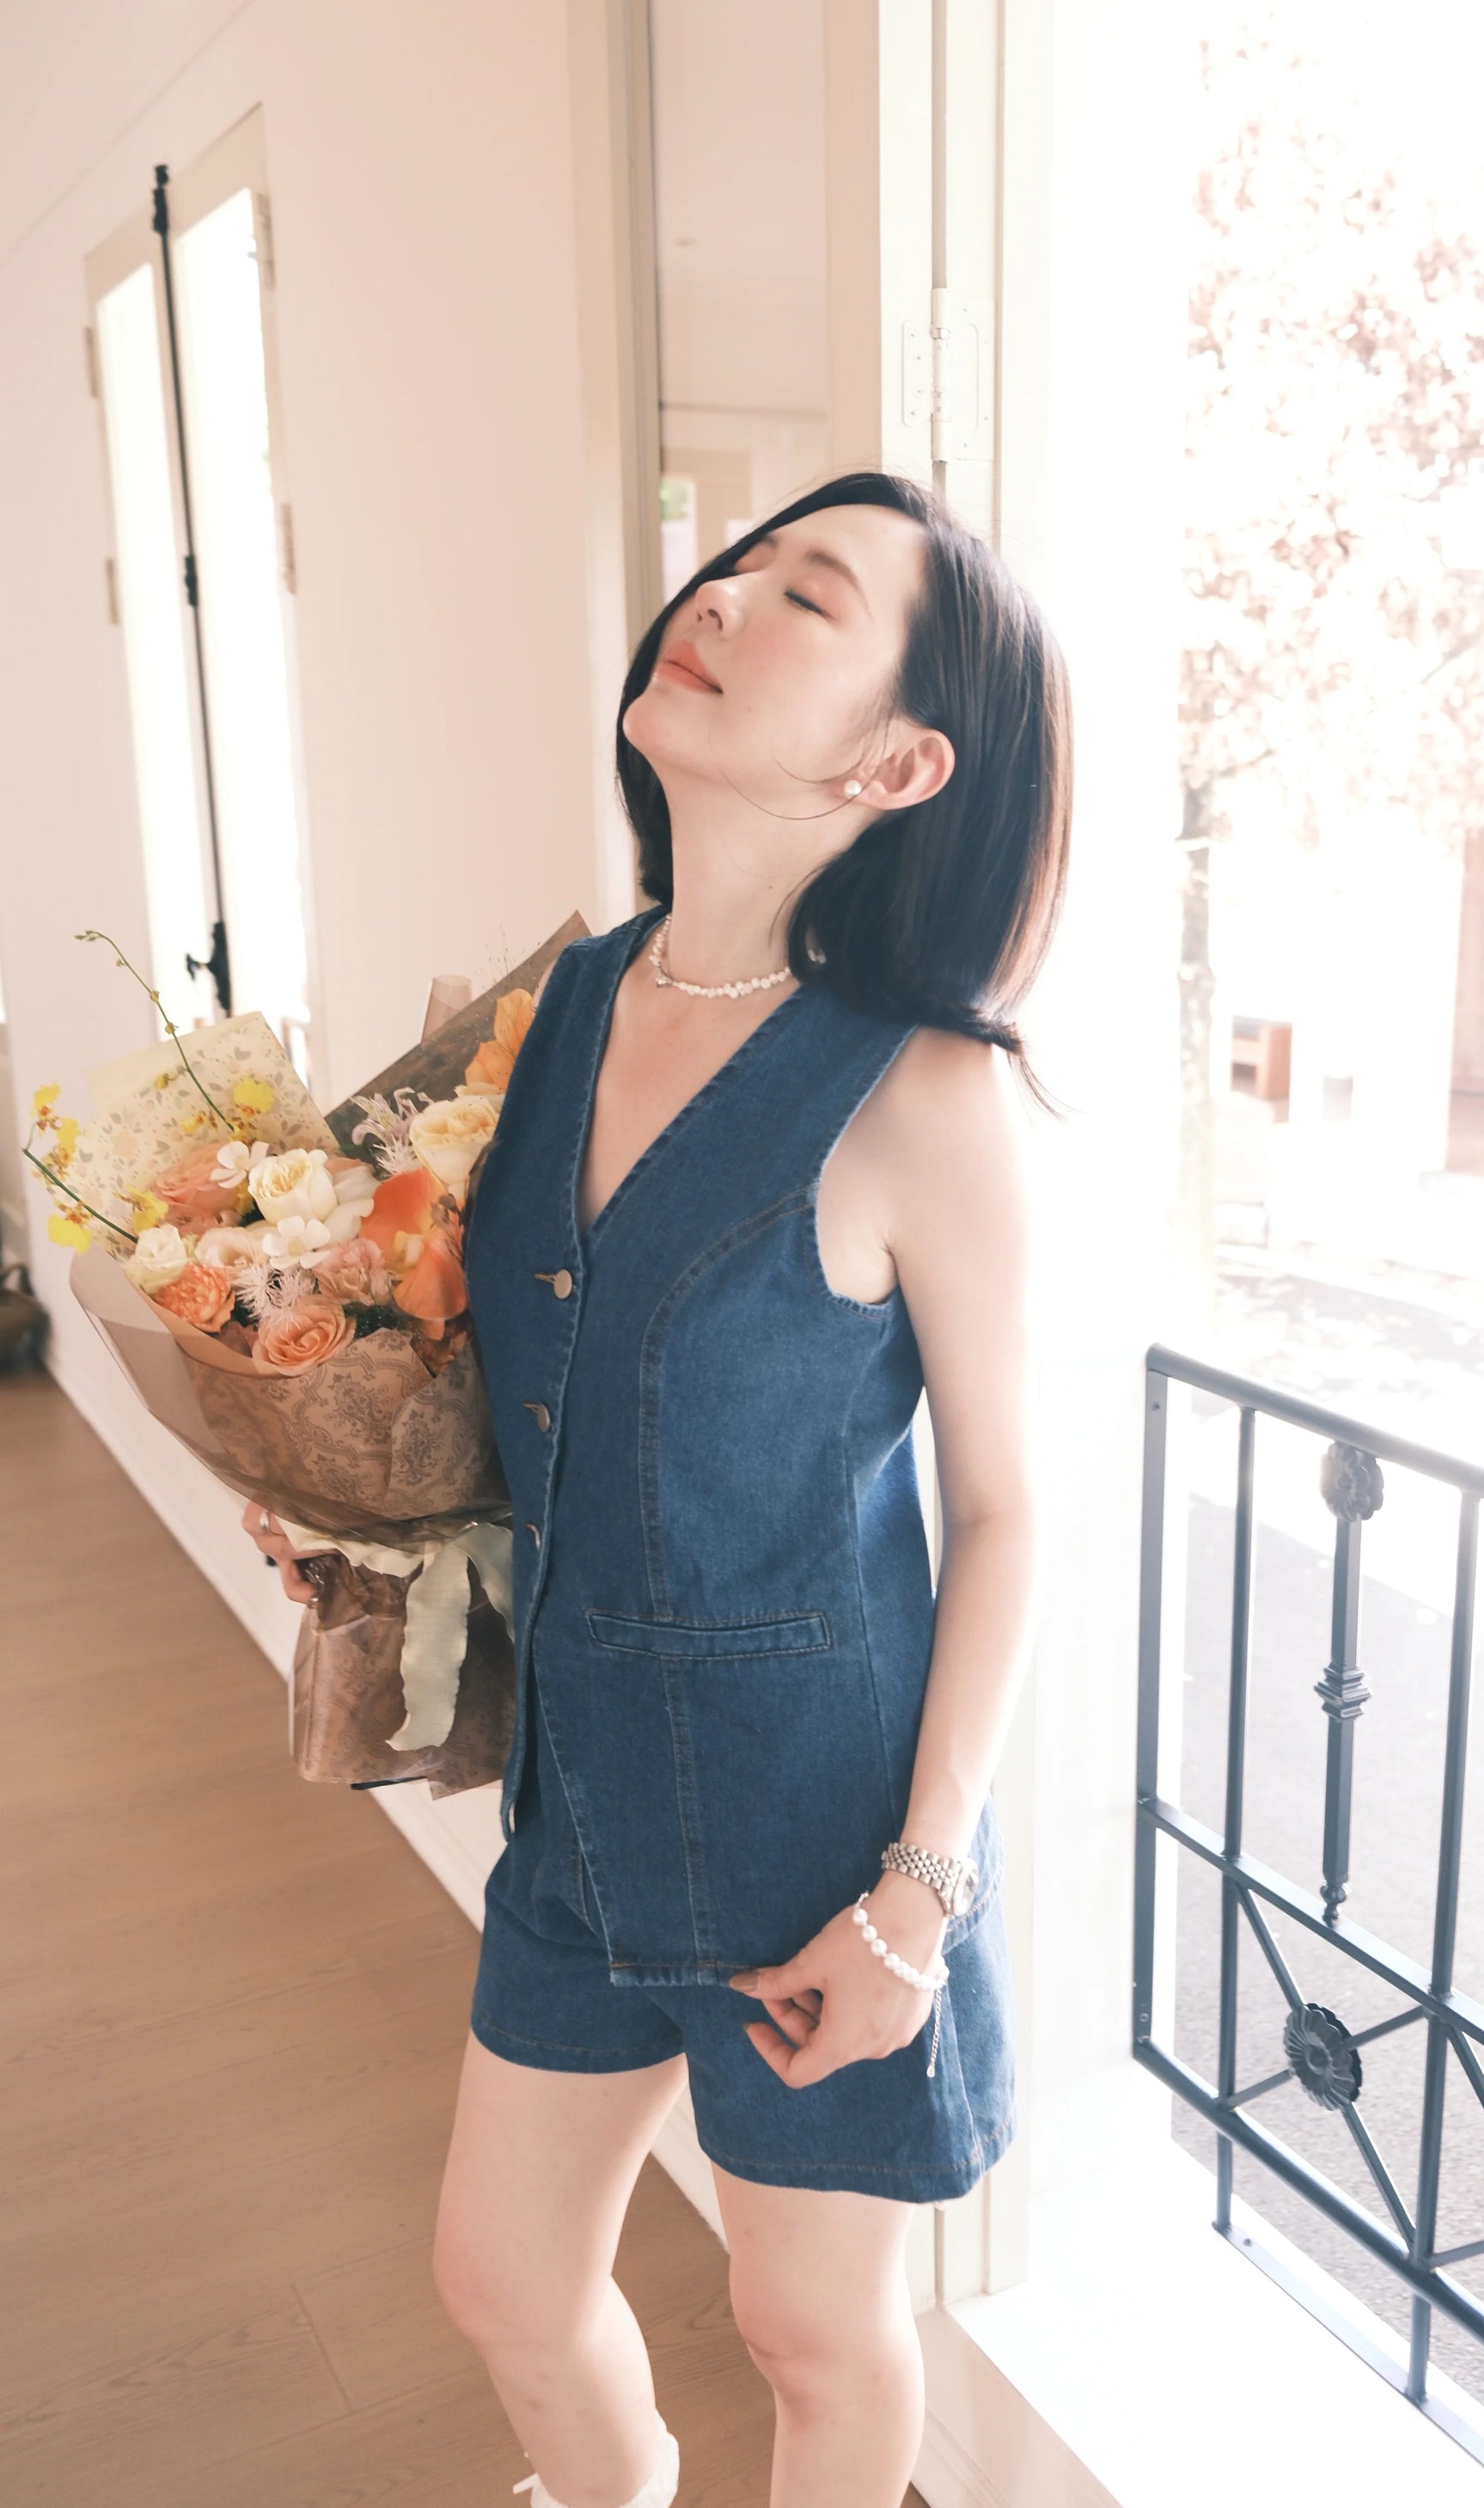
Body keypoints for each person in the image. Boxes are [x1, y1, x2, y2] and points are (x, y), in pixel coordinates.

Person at [246, 468, 1071, 2508]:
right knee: (504, 2278)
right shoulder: (557, 1014)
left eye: (807, 593)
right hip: (587, 1802)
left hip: (822, 1839)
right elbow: (510, 1395)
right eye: (740, 560)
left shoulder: (925, 1088)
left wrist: (916, 1895)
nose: (722, 591)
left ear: (896, 761)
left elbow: (1007, 1513)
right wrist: (351, 1523)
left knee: (811, 2334)